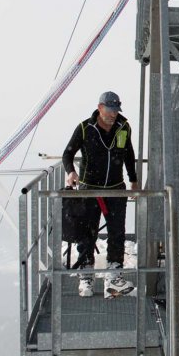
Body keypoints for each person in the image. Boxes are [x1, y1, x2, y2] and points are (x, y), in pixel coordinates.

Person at [62, 91, 139, 298]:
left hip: (115, 188)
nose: (113, 114)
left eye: (116, 110)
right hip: (89, 189)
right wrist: (71, 172)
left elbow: (129, 155)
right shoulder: (86, 128)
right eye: (110, 110)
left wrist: (134, 180)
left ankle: (114, 275)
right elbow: (68, 153)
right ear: (100, 108)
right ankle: (86, 274)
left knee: (117, 232)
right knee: (87, 233)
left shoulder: (124, 127)